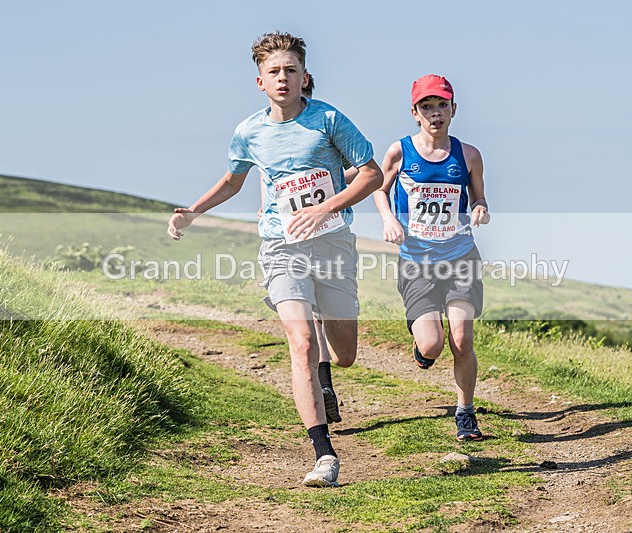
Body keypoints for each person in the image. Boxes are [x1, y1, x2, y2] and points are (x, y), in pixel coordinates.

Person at [168, 32, 382, 486]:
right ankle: (324, 454)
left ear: (305, 77)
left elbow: (371, 174)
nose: (283, 78)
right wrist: (192, 211)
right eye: (274, 72)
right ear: (259, 82)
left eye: (291, 70)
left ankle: (327, 371)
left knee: (344, 354)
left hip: (332, 244)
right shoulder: (249, 132)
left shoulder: (328, 120)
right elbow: (232, 181)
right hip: (281, 246)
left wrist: (325, 207)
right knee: (300, 341)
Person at [373, 74, 490, 442]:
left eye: (442, 106)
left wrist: (481, 209)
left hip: (460, 258)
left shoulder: (468, 155)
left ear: (453, 109)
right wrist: (390, 220)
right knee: (432, 345)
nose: (435, 114)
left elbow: (478, 197)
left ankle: (465, 413)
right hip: (417, 261)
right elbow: (379, 190)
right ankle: (423, 347)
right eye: (427, 107)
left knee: (462, 338)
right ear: (415, 112)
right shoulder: (399, 151)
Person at [256, 73, 358, 427]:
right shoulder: (266, 137)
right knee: (303, 333)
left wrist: (328, 193)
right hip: (288, 242)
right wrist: (266, 207)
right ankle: (322, 390)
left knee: (340, 345)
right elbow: (271, 180)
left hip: (330, 240)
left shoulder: (325, 129)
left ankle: (327, 377)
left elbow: (356, 172)